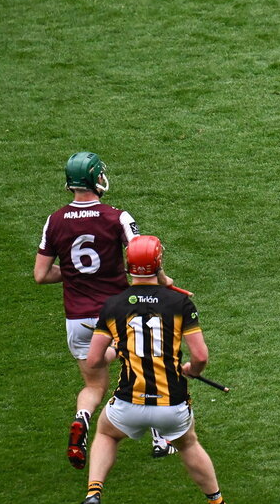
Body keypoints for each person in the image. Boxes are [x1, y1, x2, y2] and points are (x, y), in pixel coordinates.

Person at [69, 236, 232, 504]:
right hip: (172, 404)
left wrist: (119, 349)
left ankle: (94, 492)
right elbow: (200, 355)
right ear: (158, 263)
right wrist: (192, 369)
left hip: (128, 402)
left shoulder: (114, 305)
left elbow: (94, 361)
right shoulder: (180, 302)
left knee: (106, 435)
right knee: (188, 444)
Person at [34, 151, 175, 469]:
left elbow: (41, 274)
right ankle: (160, 438)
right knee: (145, 367)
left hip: (78, 320)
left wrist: (71, 274)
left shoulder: (54, 221)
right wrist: (163, 281)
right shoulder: (116, 217)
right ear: (96, 178)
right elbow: (142, 253)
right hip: (116, 313)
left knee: (94, 385)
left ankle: (82, 419)